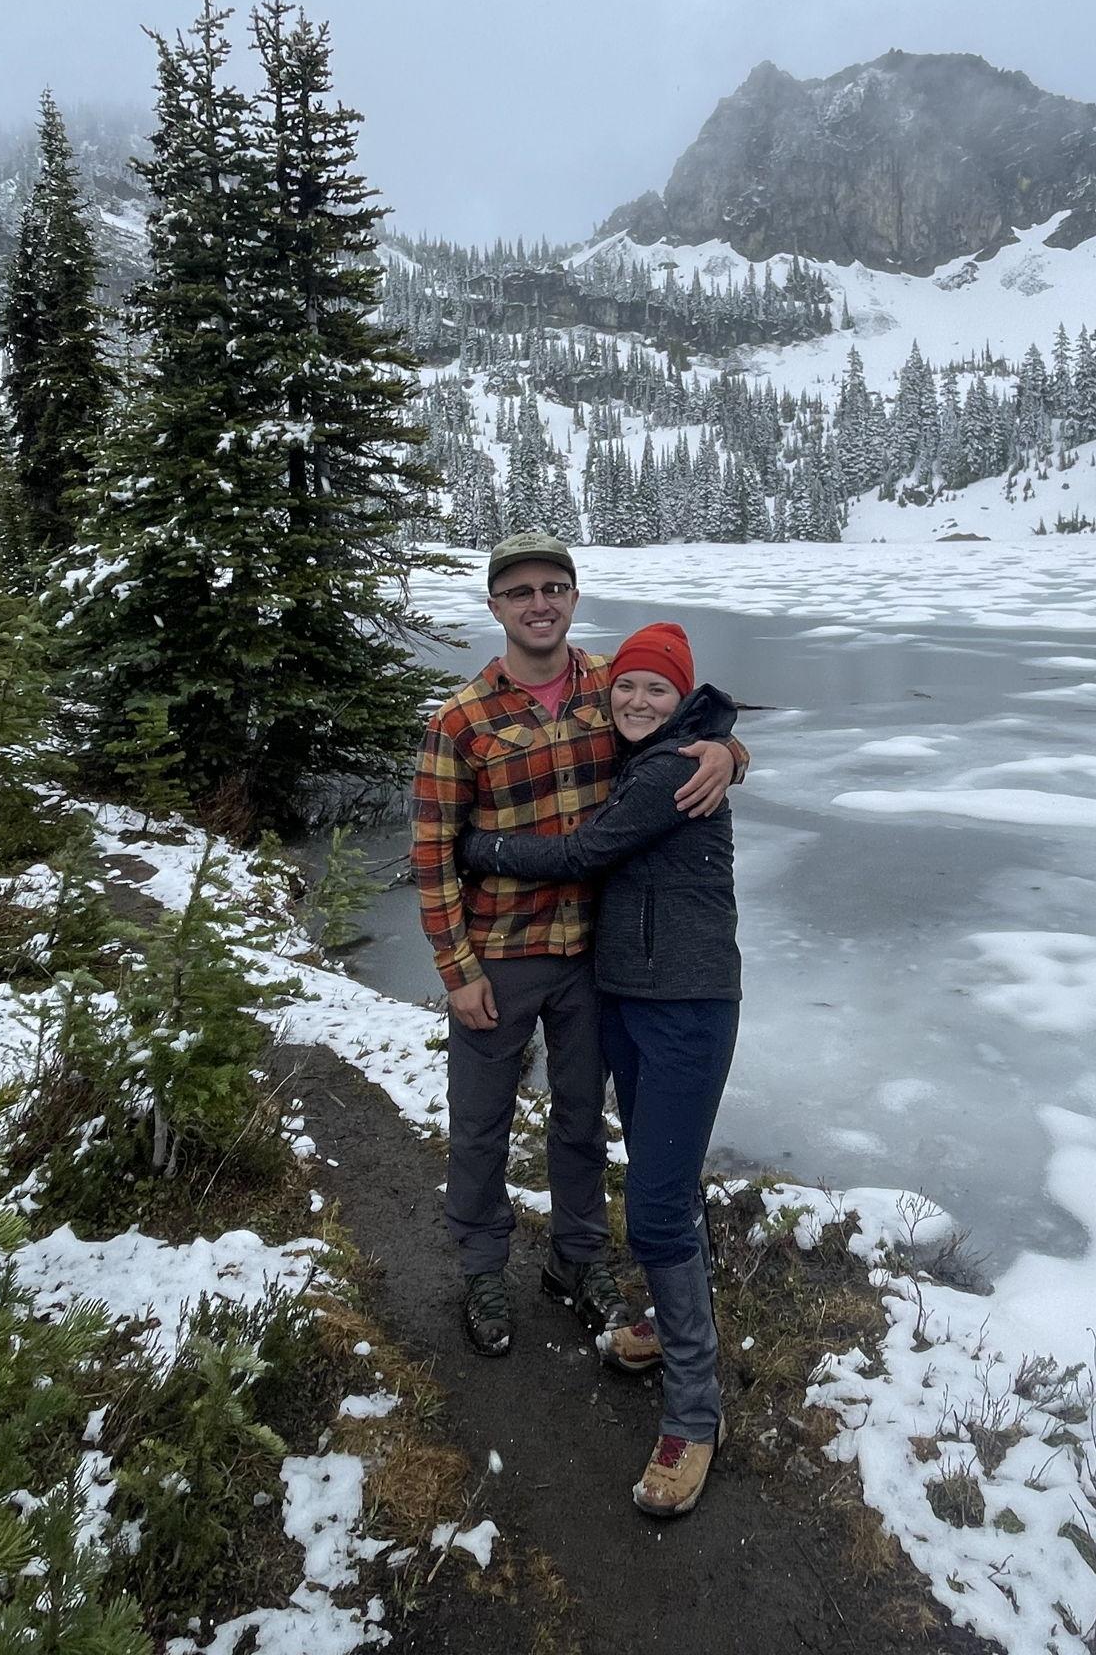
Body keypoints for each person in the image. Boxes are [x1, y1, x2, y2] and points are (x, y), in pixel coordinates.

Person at [410, 534, 743, 1360]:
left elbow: (682, 727)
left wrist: (730, 754)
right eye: (520, 591)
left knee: (580, 1120)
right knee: (481, 1122)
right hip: (501, 953)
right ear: (495, 607)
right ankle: (484, 1265)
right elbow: (431, 853)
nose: (539, 603)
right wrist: (456, 970)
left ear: (573, 596)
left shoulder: (612, 684)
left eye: (554, 587)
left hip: (596, 955)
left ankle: (577, 1257)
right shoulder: (460, 721)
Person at [459, 619, 740, 1520]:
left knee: (656, 1207)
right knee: (664, 1178)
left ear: (682, 696)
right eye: (626, 684)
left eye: (657, 689)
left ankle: (695, 1415)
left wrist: (487, 850)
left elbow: (584, 852)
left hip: (685, 1007)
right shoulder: (662, 751)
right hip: (625, 994)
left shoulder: (668, 768)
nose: (635, 700)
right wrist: (736, 747)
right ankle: (667, 1326)